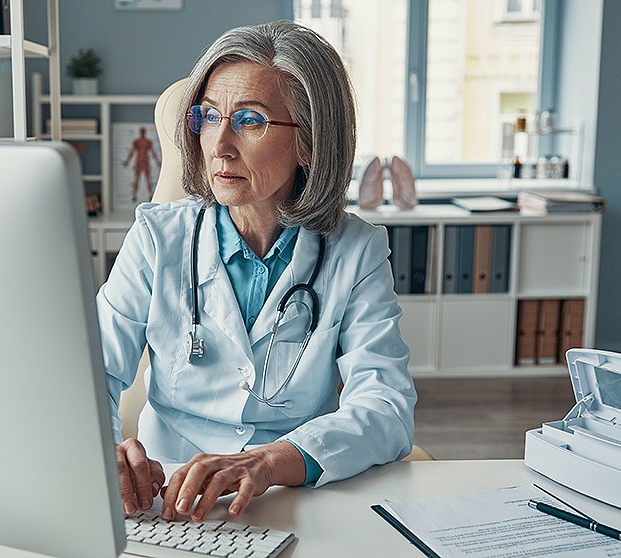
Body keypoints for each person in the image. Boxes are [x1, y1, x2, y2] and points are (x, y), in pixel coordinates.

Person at [96, 20, 416, 523]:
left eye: (249, 121)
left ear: (308, 142)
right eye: (208, 116)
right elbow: (90, 374)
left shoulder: (357, 250)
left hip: (292, 495)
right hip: (165, 498)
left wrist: (269, 462)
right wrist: (101, 449)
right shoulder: (158, 238)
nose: (218, 144)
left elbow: (386, 406)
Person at [122, 126, 161, 203]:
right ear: (140, 132)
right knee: (136, 179)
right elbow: (132, 152)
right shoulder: (136, 141)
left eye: (143, 131)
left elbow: (153, 152)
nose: (143, 132)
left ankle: (150, 195)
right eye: (142, 131)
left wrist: (157, 161)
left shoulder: (148, 142)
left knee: (148, 179)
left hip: (146, 161)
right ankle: (134, 195)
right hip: (138, 162)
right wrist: (127, 161)